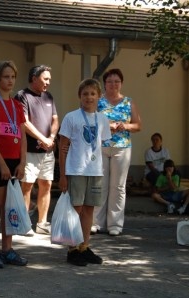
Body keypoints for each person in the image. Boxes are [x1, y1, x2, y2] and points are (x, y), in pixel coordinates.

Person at [58, 78, 112, 266]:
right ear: (79, 97)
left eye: (92, 94)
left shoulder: (103, 119)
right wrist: (62, 175)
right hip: (76, 170)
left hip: (95, 171)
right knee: (76, 209)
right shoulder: (71, 117)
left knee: (89, 209)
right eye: (85, 94)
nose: (89, 97)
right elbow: (62, 147)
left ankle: (84, 246)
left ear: (99, 96)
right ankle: (72, 248)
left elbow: (99, 145)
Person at [0, 60, 28, 269]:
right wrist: (1, 164)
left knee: (9, 207)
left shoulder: (18, 105)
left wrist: (23, 162)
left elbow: (22, 135)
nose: (10, 81)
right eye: (6, 77)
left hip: (15, 161)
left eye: (13, 77)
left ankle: (7, 249)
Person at [92, 68, 142, 236]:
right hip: (101, 147)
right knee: (100, 185)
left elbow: (137, 125)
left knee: (118, 187)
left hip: (122, 147)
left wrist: (125, 126)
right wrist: (106, 126)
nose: (113, 84)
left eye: (117, 81)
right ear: (104, 84)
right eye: (110, 81)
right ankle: (96, 222)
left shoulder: (129, 102)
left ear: (121, 83)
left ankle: (115, 224)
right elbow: (89, 122)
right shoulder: (98, 101)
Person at [14, 65, 59, 236]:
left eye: (49, 79)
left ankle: (42, 223)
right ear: (34, 78)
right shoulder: (22, 96)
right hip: (29, 150)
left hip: (47, 151)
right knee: (26, 186)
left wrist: (52, 138)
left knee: (46, 184)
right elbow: (23, 122)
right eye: (45, 78)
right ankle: (24, 224)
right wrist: (43, 139)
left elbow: (55, 119)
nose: (48, 82)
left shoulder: (49, 96)